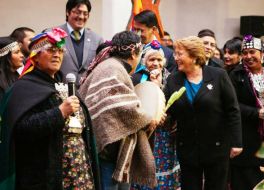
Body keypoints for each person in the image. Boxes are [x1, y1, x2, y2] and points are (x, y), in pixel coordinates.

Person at [0, 28, 100, 190]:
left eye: (60, 50)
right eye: (51, 50)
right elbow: (21, 130)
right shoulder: (24, 88)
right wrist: (59, 113)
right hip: (46, 176)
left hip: (80, 171)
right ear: (35, 57)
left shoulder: (66, 84)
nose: (57, 54)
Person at [79, 31, 162, 190]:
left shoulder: (109, 66)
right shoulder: (114, 70)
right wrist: (149, 119)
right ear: (133, 53)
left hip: (107, 148)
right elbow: (127, 109)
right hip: (107, 150)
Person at [164, 36, 242, 190]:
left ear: (193, 56)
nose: (175, 58)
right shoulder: (173, 79)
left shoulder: (218, 75)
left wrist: (236, 142)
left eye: (180, 54)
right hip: (188, 147)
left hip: (217, 147)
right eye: (175, 54)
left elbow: (232, 110)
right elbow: (168, 108)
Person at [229, 35, 264, 190]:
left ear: (262, 53)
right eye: (245, 53)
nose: (248, 56)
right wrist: (256, 112)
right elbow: (232, 105)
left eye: (252, 52)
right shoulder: (236, 74)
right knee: (247, 179)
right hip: (247, 135)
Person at [131, 40, 180, 189]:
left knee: (164, 167)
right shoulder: (136, 78)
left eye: (159, 59)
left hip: (165, 134)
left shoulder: (171, 78)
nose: (156, 63)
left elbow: (176, 103)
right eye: (152, 59)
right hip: (145, 133)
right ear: (144, 61)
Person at [58, 0, 103, 86]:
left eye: (85, 14)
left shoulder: (97, 40)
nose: (81, 17)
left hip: (87, 95)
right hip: (60, 93)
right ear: (68, 12)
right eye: (77, 12)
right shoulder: (53, 35)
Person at [0, 37, 24, 101]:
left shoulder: (19, 76)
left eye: (20, 51)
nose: (22, 55)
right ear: (5, 56)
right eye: (17, 52)